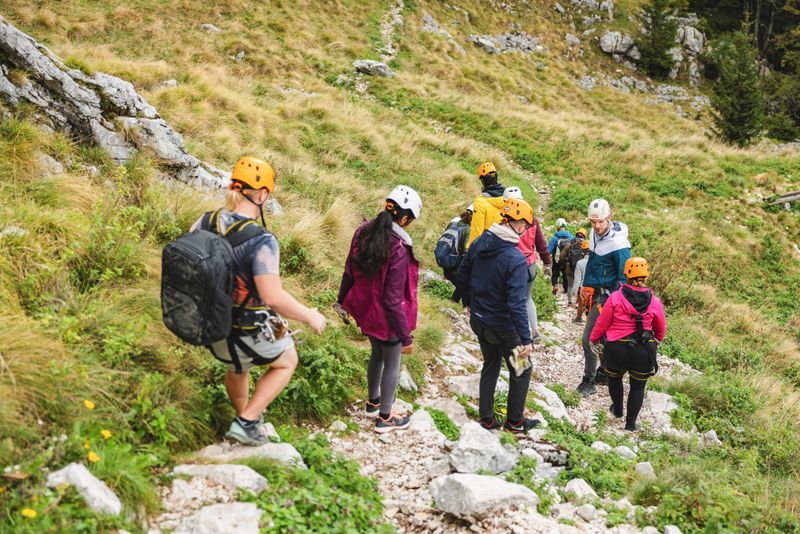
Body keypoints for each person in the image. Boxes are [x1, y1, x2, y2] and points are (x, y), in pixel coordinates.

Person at [192, 156, 327, 446]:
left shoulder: (204, 221)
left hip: (211, 326)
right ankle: (247, 420)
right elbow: (272, 296)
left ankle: (245, 422)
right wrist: (310, 315)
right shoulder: (262, 240)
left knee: (238, 365)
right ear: (263, 194)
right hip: (244, 329)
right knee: (287, 361)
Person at [338, 186, 422, 433]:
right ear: (404, 218)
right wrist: (405, 335)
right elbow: (393, 299)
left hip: (366, 311)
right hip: (388, 319)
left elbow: (349, 270)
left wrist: (342, 300)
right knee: (392, 362)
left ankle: (373, 402)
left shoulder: (364, 232)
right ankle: (385, 417)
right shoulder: (398, 247)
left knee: (376, 354)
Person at [458, 198, 541, 434]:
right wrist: (526, 340)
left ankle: (486, 418)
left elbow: (463, 275)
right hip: (505, 329)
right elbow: (516, 304)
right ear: (518, 224)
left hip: (479, 321)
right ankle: (515, 422)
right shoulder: (515, 259)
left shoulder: (480, 242)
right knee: (522, 369)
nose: (525, 231)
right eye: (525, 226)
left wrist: (469, 303)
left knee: (490, 364)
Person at [589, 257, 666, 431]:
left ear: (626, 274)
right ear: (646, 276)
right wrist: (657, 341)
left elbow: (603, 322)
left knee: (614, 379)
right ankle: (630, 424)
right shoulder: (654, 301)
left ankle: (617, 409)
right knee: (638, 386)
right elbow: (660, 327)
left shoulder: (616, 297)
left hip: (616, 348)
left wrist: (593, 339)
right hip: (643, 349)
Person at [577, 199, 632, 396]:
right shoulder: (593, 234)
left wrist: (613, 302)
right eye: (593, 222)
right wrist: (585, 284)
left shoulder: (618, 243)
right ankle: (606, 373)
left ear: (609, 217)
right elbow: (592, 261)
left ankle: (589, 380)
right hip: (596, 292)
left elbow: (625, 277)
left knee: (589, 339)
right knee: (605, 338)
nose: (597, 226)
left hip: (608, 297)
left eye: (600, 221)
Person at [504, 187, 552, 344]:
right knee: (527, 299)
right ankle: (535, 331)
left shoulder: (504, 222)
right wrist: (546, 262)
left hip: (513, 266)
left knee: (512, 299)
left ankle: (516, 333)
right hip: (530, 264)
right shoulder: (532, 220)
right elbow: (541, 244)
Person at [435, 204, 473, 303]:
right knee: (467, 286)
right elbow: (466, 251)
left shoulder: (454, 223)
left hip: (446, 261)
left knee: (462, 286)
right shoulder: (468, 230)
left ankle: (453, 303)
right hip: (456, 266)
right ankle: (456, 305)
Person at [467, 162, 507, 248]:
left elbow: (477, 231)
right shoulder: (509, 197)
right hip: (508, 247)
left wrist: (470, 251)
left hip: (489, 248)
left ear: (482, 180)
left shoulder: (480, 202)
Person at [559, 228, 587, 307]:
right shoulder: (585, 244)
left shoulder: (570, 243)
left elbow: (561, 256)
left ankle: (570, 302)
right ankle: (579, 302)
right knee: (580, 284)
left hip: (569, 268)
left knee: (570, 285)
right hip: (581, 268)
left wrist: (566, 262)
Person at [548, 219, 573, 295]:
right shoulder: (570, 237)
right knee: (565, 274)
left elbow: (548, 250)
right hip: (566, 259)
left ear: (557, 227)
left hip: (557, 259)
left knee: (555, 272)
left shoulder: (555, 238)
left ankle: (555, 285)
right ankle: (566, 289)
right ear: (565, 226)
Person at [573, 239, 590, 323]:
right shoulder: (596, 262)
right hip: (592, 287)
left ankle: (579, 318)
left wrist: (575, 291)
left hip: (582, 287)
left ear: (583, 250)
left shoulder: (580, 262)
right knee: (591, 305)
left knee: (580, 304)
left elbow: (577, 279)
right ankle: (590, 322)